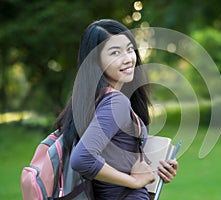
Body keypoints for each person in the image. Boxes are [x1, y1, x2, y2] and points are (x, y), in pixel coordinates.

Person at [53, 19, 178, 200]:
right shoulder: (115, 102)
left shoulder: (89, 101)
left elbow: (113, 159)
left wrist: (155, 171)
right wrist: (133, 181)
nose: (128, 58)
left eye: (129, 49)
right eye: (115, 53)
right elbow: (82, 159)